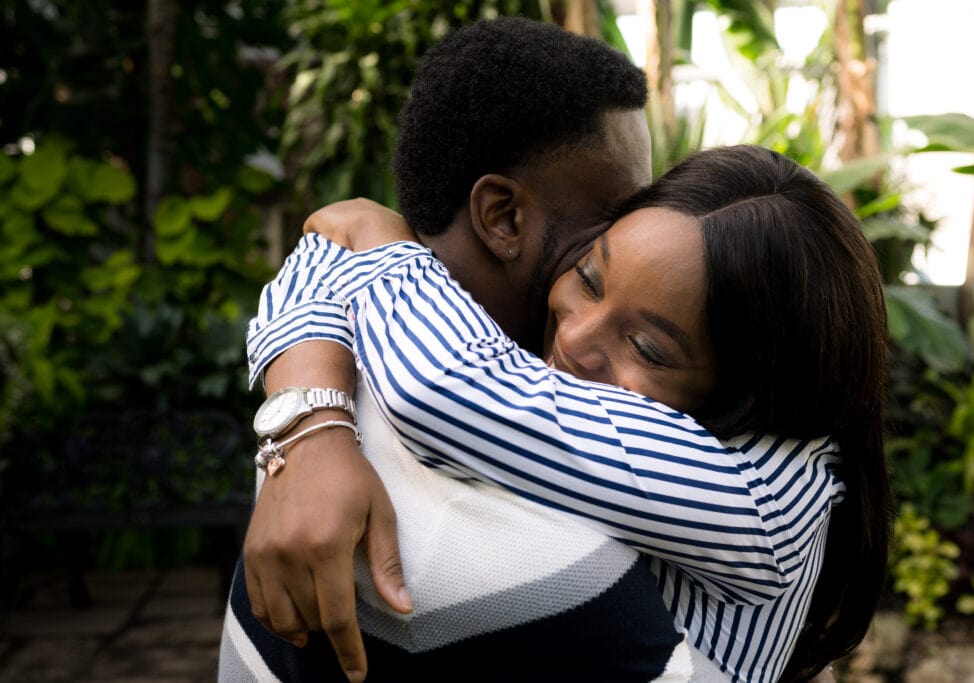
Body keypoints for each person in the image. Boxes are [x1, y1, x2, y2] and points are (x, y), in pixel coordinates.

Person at [236, 145, 891, 681]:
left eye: (645, 346)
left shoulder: (758, 494)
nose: (576, 338)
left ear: (750, 395)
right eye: (589, 275)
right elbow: (322, 253)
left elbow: (442, 388)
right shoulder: (629, 415)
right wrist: (310, 425)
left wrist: (377, 236)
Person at [220, 16, 700, 683]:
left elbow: (331, 250)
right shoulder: (554, 562)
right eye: (615, 218)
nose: (636, 242)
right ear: (504, 217)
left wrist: (309, 419)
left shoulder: (330, 401)